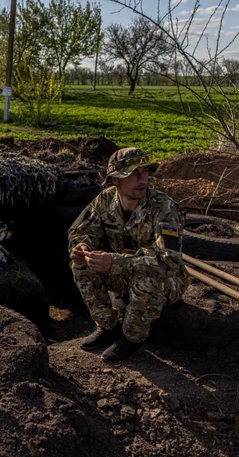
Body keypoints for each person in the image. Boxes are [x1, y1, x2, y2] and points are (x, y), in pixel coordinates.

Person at [68, 147, 188, 362]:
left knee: (146, 280)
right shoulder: (104, 200)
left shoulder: (164, 208)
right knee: (80, 266)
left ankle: (132, 338)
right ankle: (109, 326)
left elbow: (167, 261)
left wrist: (114, 261)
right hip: (125, 273)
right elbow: (81, 231)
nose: (142, 179)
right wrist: (81, 247)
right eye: (133, 174)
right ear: (115, 180)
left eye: (145, 172)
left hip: (165, 279)